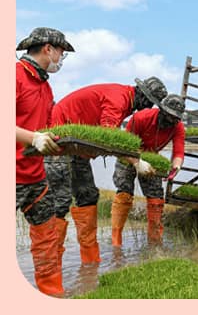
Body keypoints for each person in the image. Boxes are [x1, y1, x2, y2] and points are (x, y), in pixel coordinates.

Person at [47, 76, 168, 264]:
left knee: (88, 196)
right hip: (58, 140)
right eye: (150, 103)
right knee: (61, 202)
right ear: (142, 96)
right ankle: (50, 266)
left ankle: (90, 264)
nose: (149, 108)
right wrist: (137, 162)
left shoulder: (124, 100)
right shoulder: (118, 99)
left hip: (77, 148)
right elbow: (108, 139)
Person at [15, 28, 72, 296]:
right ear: (48, 49)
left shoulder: (46, 86)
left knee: (48, 240)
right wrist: (33, 138)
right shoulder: (14, 76)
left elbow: (49, 129)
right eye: (61, 51)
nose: (62, 57)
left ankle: (53, 296)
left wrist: (75, 145)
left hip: (35, 178)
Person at [110, 94, 186, 248]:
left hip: (151, 157)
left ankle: (155, 243)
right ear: (162, 111)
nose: (171, 121)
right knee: (124, 192)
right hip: (129, 154)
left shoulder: (178, 127)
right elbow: (123, 146)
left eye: (175, 118)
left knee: (156, 197)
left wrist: (176, 166)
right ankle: (116, 241)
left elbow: (178, 152)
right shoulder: (141, 118)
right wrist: (137, 163)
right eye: (169, 116)